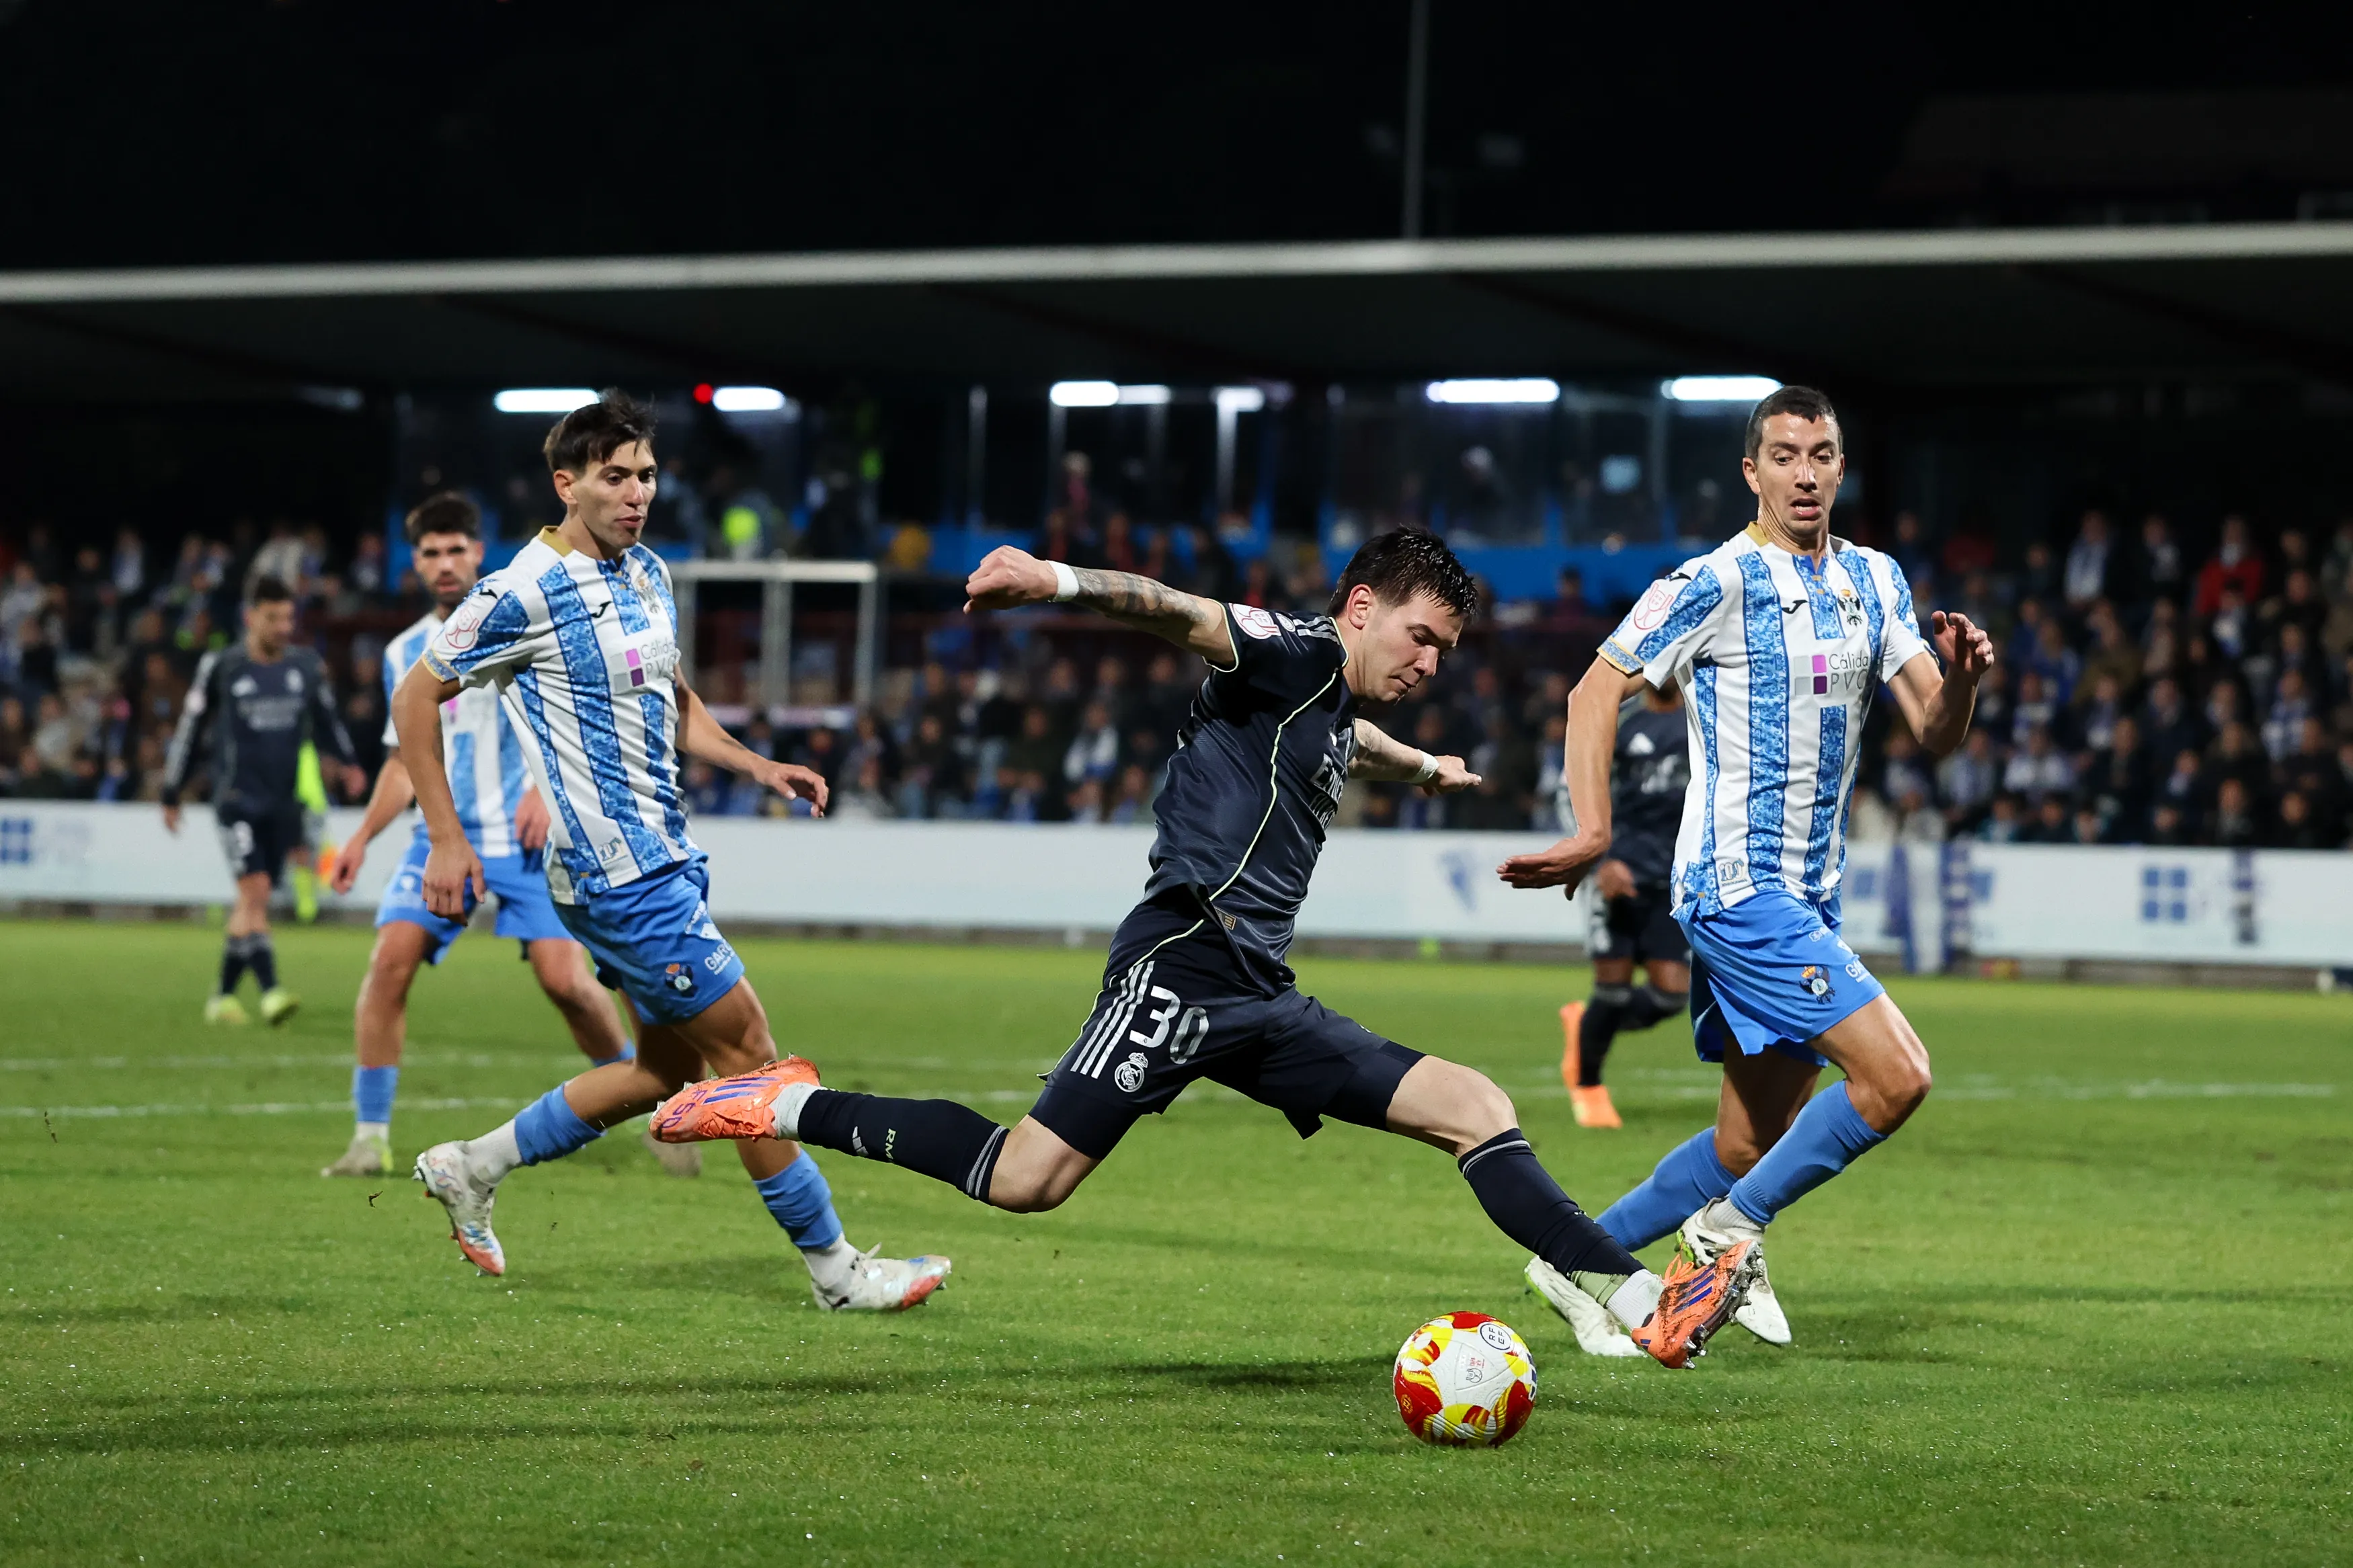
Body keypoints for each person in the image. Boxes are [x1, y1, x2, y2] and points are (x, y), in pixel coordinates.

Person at [653, 530, 1763, 1370]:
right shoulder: (1290, 650)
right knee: (1024, 1177)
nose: (1431, 659)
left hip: (1259, 993)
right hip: (1182, 966)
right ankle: (786, 1101)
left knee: (1473, 1103)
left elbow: (1346, 736)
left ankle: (1636, 1304)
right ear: (1362, 607)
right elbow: (1185, 615)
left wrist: (1422, 767)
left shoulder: (1328, 693)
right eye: (1420, 634)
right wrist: (1058, 580)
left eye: (1447, 647)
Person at [395, 391, 947, 1312]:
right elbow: (417, 700)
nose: (638, 492)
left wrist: (757, 763)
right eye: (616, 477)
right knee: (752, 1065)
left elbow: (674, 696)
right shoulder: (521, 590)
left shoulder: (646, 571)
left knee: (665, 1072)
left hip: (662, 857)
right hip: (619, 877)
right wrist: (447, 840)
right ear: (566, 484)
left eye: (647, 474)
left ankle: (470, 1165)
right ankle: (837, 1272)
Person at [1499, 386, 1993, 1360]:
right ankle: (1730, 1235)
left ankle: (1576, 1263)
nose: (1805, 472)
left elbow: (1936, 732)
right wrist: (1593, 827)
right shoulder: (1714, 580)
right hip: (1737, 888)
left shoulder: (1876, 582)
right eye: (1784, 454)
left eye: (1822, 453)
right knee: (1897, 1077)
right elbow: (1595, 689)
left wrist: (1966, 678)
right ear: (1752, 471)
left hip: (1809, 894)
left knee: (1745, 1144)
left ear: (1841, 467)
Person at [322, 492, 673, 1182]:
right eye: (430, 552)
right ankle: (369, 1138)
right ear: (415, 564)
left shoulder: (518, 616)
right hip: (441, 836)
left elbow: (569, 715)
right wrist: (363, 834)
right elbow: (402, 757)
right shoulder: (405, 652)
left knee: (567, 982)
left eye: (456, 549)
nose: (445, 563)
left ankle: (644, 1098)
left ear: (477, 553)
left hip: (525, 842)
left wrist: (545, 788)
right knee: (389, 961)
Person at [160, 574, 364, 1026]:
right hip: (235, 799)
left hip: (282, 801)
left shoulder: (306, 667)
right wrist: (172, 789)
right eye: (273, 618)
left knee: (253, 899)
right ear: (252, 617)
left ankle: (223, 997)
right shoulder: (223, 665)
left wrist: (348, 763)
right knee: (254, 891)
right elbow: (191, 729)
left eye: (289, 617)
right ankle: (271, 990)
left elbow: (327, 719)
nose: (283, 627)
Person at [1555, 676, 1689, 1130]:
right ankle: (1589, 1088)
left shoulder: (1706, 722)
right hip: (1616, 876)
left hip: (1674, 881)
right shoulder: (1620, 720)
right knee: (1611, 989)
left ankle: (1586, 1026)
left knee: (1671, 995)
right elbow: (1569, 789)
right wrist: (1600, 860)